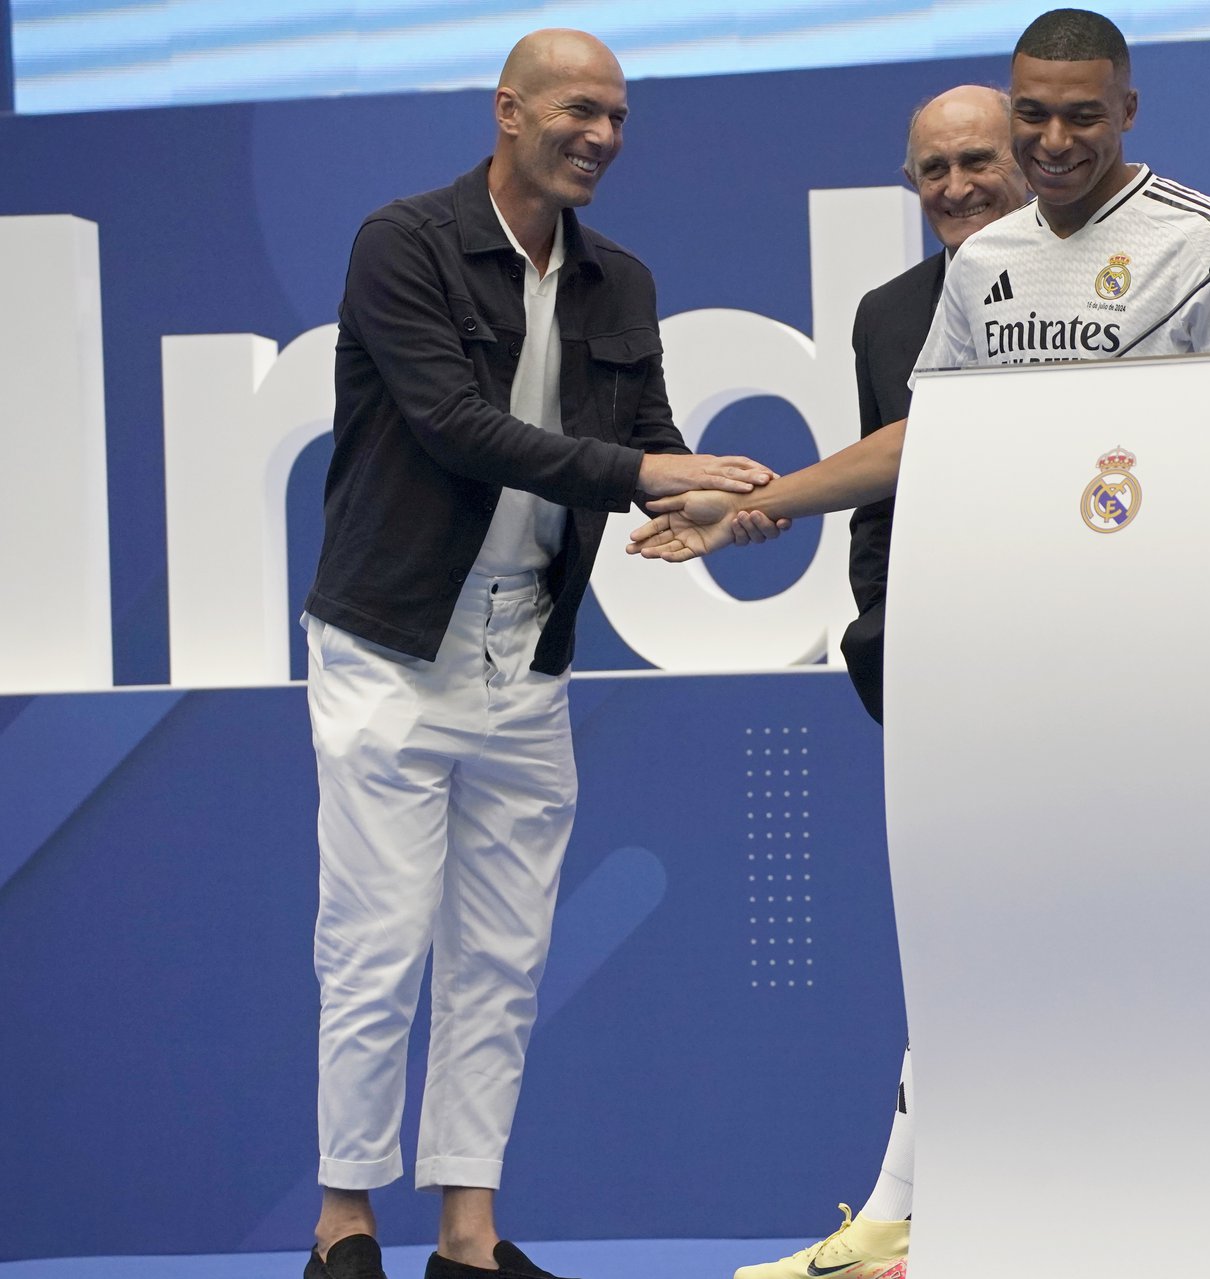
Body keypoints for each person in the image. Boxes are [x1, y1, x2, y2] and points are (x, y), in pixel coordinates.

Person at [301, 29, 772, 1279]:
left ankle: (469, 1236)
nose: (602, 136)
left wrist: (727, 504)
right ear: (508, 111)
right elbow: (456, 426)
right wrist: (651, 469)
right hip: (391, 640)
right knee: (377, 941)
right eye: (579, 111)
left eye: (618, 117)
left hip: (529, 649)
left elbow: (654, 435)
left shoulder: (623, 280)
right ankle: (345, 1224)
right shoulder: (401, 243)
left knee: (504, 952)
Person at [627, 6, 1210, 559]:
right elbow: (924, 435)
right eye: (1033, 115)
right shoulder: (984, 257)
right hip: (1014, 584)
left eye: (1083, 116)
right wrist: (748, 506)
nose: (1055, 141)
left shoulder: (1205, 239)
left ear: (1129, 110)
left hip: (1163, 574)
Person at [733, 84, 1029, 1279]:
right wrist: (882, 635)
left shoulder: (1096, 290)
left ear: (1031, 160)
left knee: (1025, 945)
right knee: (962, 941)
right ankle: (905, 1224)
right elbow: (884, 501)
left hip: (1089, 666)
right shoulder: (889, 313)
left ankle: (913, 1221)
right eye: (932, 171)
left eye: (978, 160)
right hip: (941, 672)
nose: (956, 187)